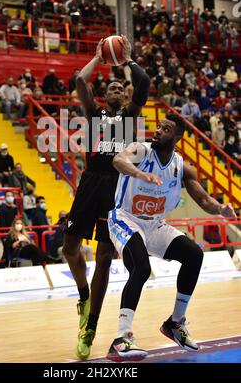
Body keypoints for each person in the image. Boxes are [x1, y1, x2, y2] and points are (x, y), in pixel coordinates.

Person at [106, 113, 237, 361]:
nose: (158, 131)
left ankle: (175, 323)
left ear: (177, 137)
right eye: (158, 127)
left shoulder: (181, 167)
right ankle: (121, 338)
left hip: (154, 225)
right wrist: (139, 174)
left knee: (194, 254)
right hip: (124, 218)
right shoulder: (140, 150)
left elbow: (203, 199)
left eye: (165, 129)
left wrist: (220, 209)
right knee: (142, 268)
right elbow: (118, 160)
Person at [62, 35, 150, 359]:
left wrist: (125, 60)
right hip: (89, 183)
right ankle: (83, 296)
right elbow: (79, 80)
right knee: (69, 248)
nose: (115, 91)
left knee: (102, 258)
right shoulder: (94, 114)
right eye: (110, 88)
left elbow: (144, 82)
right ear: (104, 95)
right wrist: (100, 57)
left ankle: (90, 329)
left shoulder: (131, 116)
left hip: (117, 189)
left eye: (119, 89)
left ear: (125, 95)